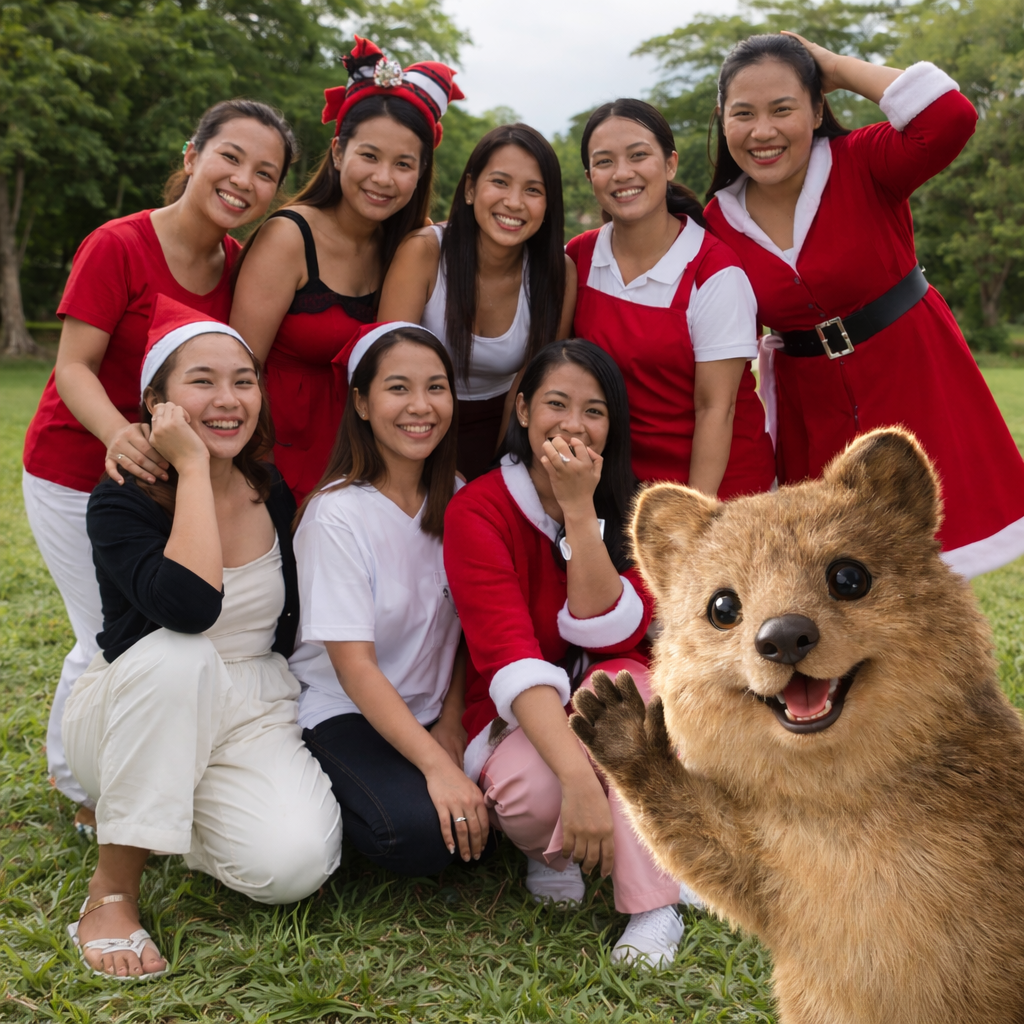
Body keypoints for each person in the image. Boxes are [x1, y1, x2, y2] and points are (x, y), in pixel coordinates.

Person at [21, 99, 296, 821]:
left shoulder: (237, 264)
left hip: (166, 477)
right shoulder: (118, 243)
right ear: (191, 156)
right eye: (229, 157)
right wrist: (121, 435)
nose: (243, 180)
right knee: (105, 629)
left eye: (265, 173)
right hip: (76, 462)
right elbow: (74, 366)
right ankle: (80, 786)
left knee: (159, 624)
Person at [62, 296, 341, 980]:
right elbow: (187, 610)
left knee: (293, 865)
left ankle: (155, 813)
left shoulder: (269, 490)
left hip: (247, 710)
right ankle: (111, 892)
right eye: (202, 381)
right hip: (138, 705)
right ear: (156, 401)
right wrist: (190, 468)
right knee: (182, 654)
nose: (228, 399)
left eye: (243, 380)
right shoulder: (122, 497)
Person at [703, 32, 1024, 577]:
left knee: (933, 565)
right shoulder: (715, 223)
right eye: (743, 114)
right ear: (722, 118)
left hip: (913, 373)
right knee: (835, 577)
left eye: (783, 109)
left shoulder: (864, 161)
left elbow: (950, 116)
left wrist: (834, 65)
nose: (763, 132)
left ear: (818, 106)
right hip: (812, 411)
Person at [444, 340, 690, 969]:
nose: (574, 424)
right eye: (556, 404)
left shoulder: (629, 503)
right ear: (522, 410)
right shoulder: (477, 509)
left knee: (628, 701)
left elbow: (611, 638)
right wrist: (582, 785)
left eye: (595, 411)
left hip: (612, 686)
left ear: (613, 427)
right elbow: (508, 656)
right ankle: (550, 849)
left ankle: (653, 903)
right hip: (517, 710)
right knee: (531, 795)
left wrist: (580, 509)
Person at [289, 322, 489, 876]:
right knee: (422, 834)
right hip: (344, 709)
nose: (419, 407)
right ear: (361, 401)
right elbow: (355, 669)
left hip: (429, 711)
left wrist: (451, 723)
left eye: (436, 387)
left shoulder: (462, 500)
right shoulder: (337, 515)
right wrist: (438, 768)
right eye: (398, 388)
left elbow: (467, 633)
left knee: (491, 820)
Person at [230, 36, 464, 503]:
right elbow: (239, 368)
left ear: (420, 172)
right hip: (272, 461)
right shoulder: (289, 238)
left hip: (367, 463)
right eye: (369, 156)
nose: (383, 178)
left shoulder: (410, 248)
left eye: (403, 164)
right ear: (339, 154)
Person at [567, 99, 774, 500]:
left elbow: (717, 409)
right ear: (590, 175)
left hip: (719, 496)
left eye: (639, 155)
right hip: (622, 486)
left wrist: (692, 521)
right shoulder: (579, 257)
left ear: (670, 164)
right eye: (605, 161)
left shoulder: (714, 272)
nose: (622, 173)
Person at [379, 124, 576, 479]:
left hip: (506, 426)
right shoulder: (424, 252)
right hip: (411, 420)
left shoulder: (558, 273)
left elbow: (530, 386)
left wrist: (500, 470)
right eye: (499, 182)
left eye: (533, 190)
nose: (514, 202)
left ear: (548, 205)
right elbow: (385, 368)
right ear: (470, 189)